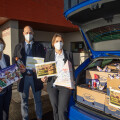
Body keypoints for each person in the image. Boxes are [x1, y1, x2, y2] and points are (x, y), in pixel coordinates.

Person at [13, 26, 45, 120]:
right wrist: (18, 70)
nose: (28, 34)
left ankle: (39, 117)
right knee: (24, 101)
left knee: (38, 100)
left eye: (30, 32)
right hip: (23, 78)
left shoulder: (39, 46)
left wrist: (39, 69)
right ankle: (25, 118)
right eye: (26, 33)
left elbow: (43, 60)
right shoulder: (18, 46)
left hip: (36, 77)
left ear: (33, 33)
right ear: (23, 33)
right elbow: (14, 60)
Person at [41, 33, 74, 120]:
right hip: (52, 84)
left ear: (63, 42)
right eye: (56, 41)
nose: (59, 43)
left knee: (62, 110)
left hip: (65, 85)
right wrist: (43, 77)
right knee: (55, 109)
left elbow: (72, 70)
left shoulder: (68, 54)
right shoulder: (48, 54)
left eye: (60, 41)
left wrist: (72, 81)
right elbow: (45, 68)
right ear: (53, 43)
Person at [0, 38, 12, 120]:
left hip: (8, 89)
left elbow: (10, 72)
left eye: (1, 43)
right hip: (0, 90)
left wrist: (16, 76)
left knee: (6, 111)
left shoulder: (7, 57)